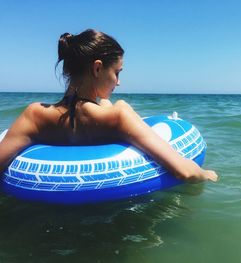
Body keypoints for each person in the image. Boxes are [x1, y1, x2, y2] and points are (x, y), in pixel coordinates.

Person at [0, 29, 218, 183]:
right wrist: (205, 174)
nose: (119, 81)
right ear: (97, 69)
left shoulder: (34, 115)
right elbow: (185, 173)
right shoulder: (119, 117)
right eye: (117, 72)